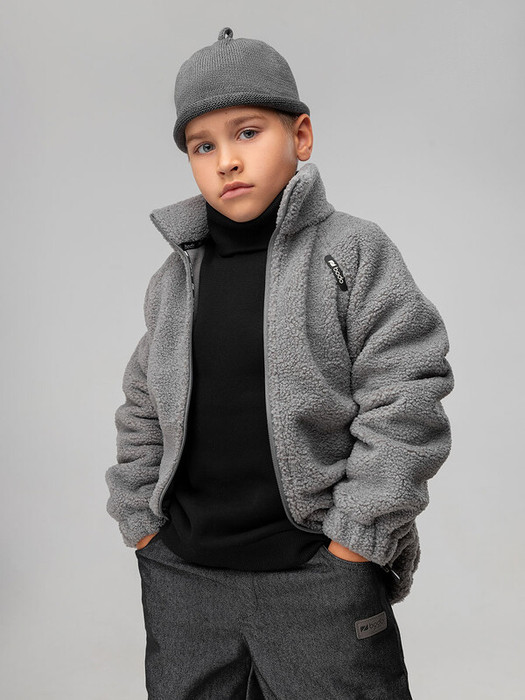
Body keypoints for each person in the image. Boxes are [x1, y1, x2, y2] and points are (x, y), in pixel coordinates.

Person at [105, 26, 454, 700]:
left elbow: (407, 389)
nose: (226, 161)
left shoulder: (351, 251)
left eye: (247, 133)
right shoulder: (174, 279)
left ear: (301, 136)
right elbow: (143, 403)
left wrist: (355, 539)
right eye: (203, 146)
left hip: (316, 573)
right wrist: (143, 526)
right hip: (185, 578)